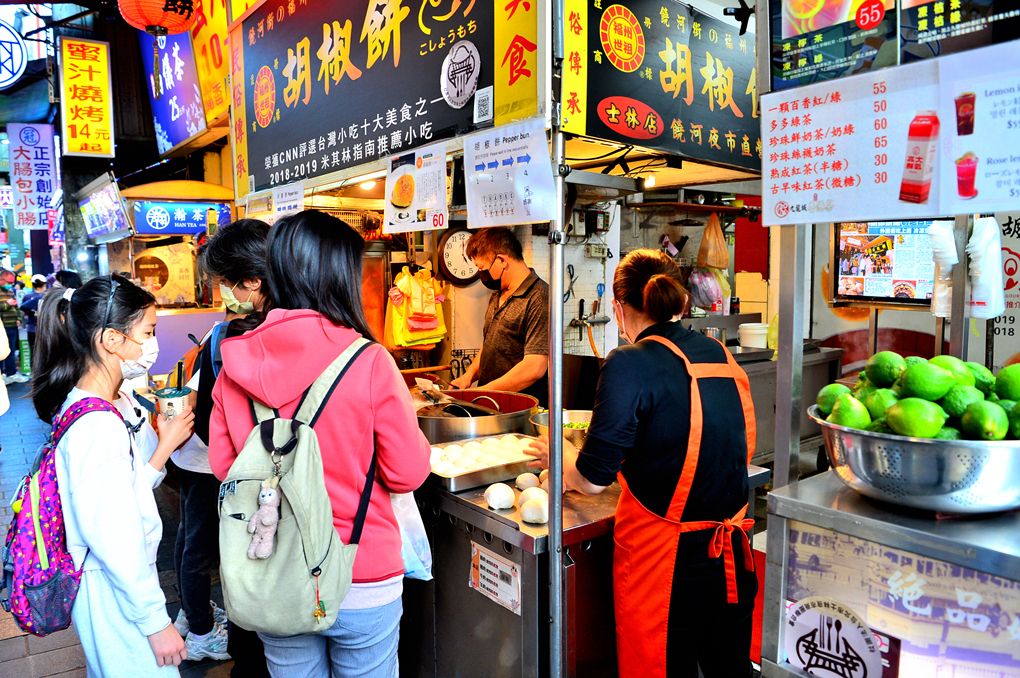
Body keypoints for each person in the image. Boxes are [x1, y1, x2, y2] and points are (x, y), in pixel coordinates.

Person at [208, 210, 431, 678]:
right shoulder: (369, 361)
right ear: (340, 278)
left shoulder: (233, 367)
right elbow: (407, 473)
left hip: (275, 572)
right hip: (362, 571)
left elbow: (227, 470)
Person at [527, 249, 757, 678]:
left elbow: (592, 479)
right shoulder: (718, 353)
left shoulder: (628, 362)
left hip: (667, 569)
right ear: (680, 302)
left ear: (618, 308)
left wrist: (560, 454)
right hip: (730, 560)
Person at [30, 275, 196, 676]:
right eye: (147, 332)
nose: (152, 344)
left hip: (117, 583)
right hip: (112, 585)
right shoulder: (96, 426)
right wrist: (156, 622)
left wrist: (162, 442)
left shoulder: (106, 402)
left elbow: (125, 491)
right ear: (110, 339)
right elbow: (114, 536)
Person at [172, 219, 273, 674]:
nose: (223, 292)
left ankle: (201, 621)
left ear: (252, 281)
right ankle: (202, 625)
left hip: (223, 469)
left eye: (225, 282)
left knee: (198, 544)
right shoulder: (228, 335)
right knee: (201, 546)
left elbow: (210, 417)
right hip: (233, 471)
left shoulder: (231, 336)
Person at [449, 227, 550, 406]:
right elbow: (491, 344)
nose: (482, 275)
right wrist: (468, 376)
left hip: (521, 407)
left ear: (502, 260)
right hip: (492, 403)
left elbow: (534, 368)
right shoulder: (498, 292)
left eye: (482, 268)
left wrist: (481, 392)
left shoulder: (540, 297)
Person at [0, 269, 26, 384]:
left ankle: (11, 373)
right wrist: (7, 304)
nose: (10, 285)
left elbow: (16, 307)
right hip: (2, 326)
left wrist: (18, 318)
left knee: (11, 350)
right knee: (2, 351)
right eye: (8, 282)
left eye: (11, 283)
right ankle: (2, 374)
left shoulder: (10, 291)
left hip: (12, 326)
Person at [21, 274, 48, 357]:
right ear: (44, 285)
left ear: (32, 285)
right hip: (46, 329)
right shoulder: (48, 296)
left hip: (32, 328)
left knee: (33, 354)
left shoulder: (27, 297)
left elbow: (24, 310)